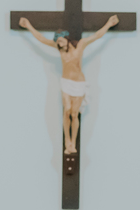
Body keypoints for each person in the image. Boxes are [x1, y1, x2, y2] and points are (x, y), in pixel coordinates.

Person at [17, 14, 120, 154]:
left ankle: (73, 142)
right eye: (57, 42)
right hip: (66, 83)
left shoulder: (81, 45)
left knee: (74, 114)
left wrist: (108, 24)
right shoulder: (59, 49)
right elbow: (41, 39)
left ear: (66, 38)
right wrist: (28, 26)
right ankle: (68, 142)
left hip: (79, 83)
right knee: (66, 111)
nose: (59, 44)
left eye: (60, 41)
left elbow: (96, 36)